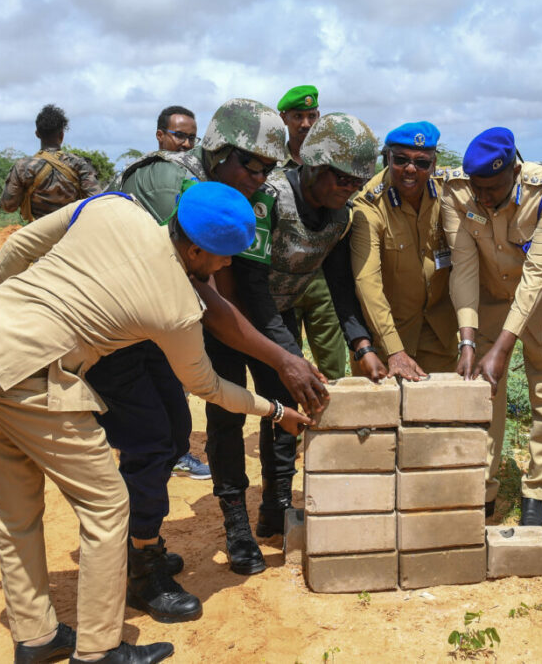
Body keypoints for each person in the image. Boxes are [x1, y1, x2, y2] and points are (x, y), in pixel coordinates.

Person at [0, 184, 310, 664]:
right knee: (107, 507)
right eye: (222, 258)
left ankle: (35, 636)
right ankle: (98, 650)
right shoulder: (176, 308)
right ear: (196, 249)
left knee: (15, 511)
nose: (224, 268)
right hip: (30, 377)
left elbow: (18, 247)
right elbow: (210, 387)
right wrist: (278, 412)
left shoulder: (112, 208)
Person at [87, 99, 327, 619]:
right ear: (217, 152)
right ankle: (143, 567)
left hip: (168, 328)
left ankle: (143, 547)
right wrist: (283, 357)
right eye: (251, 166)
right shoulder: (169, 184)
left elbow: (245, 280)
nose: (259, 180)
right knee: (157, 443)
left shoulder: (238, 194)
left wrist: (284, 355)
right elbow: (210, 298)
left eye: (267, 169)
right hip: (117, 336)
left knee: (173, 437)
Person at [209, 112, 385, 567]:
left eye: (356, 182)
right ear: (312, 163)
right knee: (228, 418)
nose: (347, 188)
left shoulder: (339, 217)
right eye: (341, 178)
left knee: (287, 410)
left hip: (277, 320)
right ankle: (236, 525)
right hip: (229, 320)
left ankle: (277, 505)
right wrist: (289, 355)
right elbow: (248, 285)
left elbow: (339, 285)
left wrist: (360, 344)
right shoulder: (268, 200)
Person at [442, 127, 542, 525]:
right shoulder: (456, 191)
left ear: (515, 170)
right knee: (484, 391)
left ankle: (536, 491)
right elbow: (464, 268)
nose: (484, 198)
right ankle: (483, 487)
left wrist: (502, 349)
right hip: (492, 293)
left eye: (492, 189)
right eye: (478, 188)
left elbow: (538, 273)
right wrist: (468, 341)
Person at [350, 121, 457, 379]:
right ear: (387, 158)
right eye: (401, 160)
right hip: (389, 335)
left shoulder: (450, 192)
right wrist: (394, 350)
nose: (411, 169)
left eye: (421, 163)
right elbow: (367, 281)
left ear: (433, 163)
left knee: (440, 414)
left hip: (439, 333)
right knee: (379, 417)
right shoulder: (369, 205)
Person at [152, 104, 213, 480]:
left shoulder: (189, 176)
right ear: (160, 135)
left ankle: (167, 449)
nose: (186, 143)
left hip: (172, 288)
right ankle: (175, 453)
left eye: (192, 137)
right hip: (159, 290)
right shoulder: (158, 177)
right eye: (179, 136)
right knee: (171, 376)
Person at [277, 85, 348, 380]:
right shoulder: (270, 163)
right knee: (284, 367)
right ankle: (279, 426)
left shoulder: (333, 162)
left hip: (321, 277)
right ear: (284, 118)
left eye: (311, 116)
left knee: (333, 367)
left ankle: (335, 426)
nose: (305, 124)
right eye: (298, 116)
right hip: (282, 278)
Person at [0, 104, 101, 221]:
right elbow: (96, 202)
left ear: (37, 134)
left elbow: (8, 206)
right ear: (62, 135)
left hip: (37, 233)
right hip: (71, 232)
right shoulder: (79, 164)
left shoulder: (23, 166)